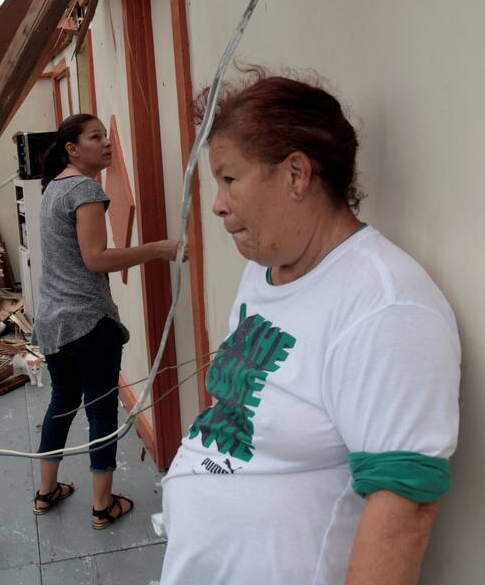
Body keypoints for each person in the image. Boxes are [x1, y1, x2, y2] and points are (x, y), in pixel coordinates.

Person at [159, 73, 461, 584]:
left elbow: (403, 514)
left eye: (229, 179)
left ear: (297, 174)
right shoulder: (264, 268)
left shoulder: (384, 305)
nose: (217, 203)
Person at [32, 113, 185, 529]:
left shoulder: (53, 189)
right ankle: (103, 506)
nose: (107, 144)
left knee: (62, 402)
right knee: (100, 410)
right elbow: (95, 258)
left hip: (52, 321)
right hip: (87, 321)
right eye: (95, 137)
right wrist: (157, 249)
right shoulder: (83, 188)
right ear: (72, 148)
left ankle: (46, 493)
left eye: (106, 135)